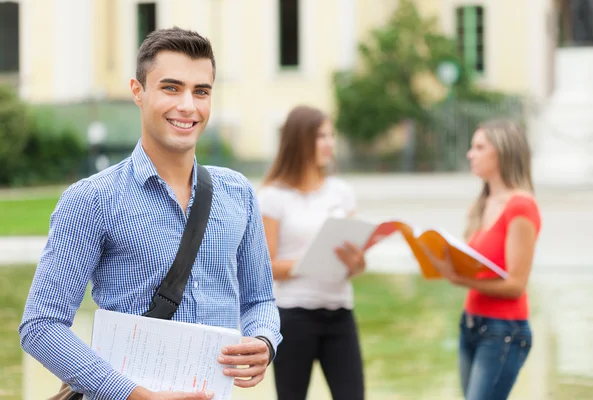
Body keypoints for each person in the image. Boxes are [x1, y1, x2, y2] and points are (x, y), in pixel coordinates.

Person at [19, 27, 281, 400]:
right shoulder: (91, 200)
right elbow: (41, 326)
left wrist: (263, 340)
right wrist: (133, 394)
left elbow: (260, 300)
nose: (188, 105)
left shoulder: (238, 193)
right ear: (138, 91)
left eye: (201, 91)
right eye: (171, 88)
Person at [420, 120, 541, 400]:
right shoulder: (481, 203)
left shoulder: (520, 206)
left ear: (501, 153)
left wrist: (459, 278)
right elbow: (479, 266)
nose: (469, 154)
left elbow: (516, 286)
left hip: (503, 331)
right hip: (471, 324)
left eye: (479, 147)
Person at [257, 105, 366, 400]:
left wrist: (356, 263)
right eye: (321, 136)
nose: (329, 143)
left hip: (340, 314)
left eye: (331, 136)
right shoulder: (272, 197)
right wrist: (310, 263)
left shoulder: (341, 192)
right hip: (294, 317)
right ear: (298, 139)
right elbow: (265, 267)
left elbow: (355, 264)